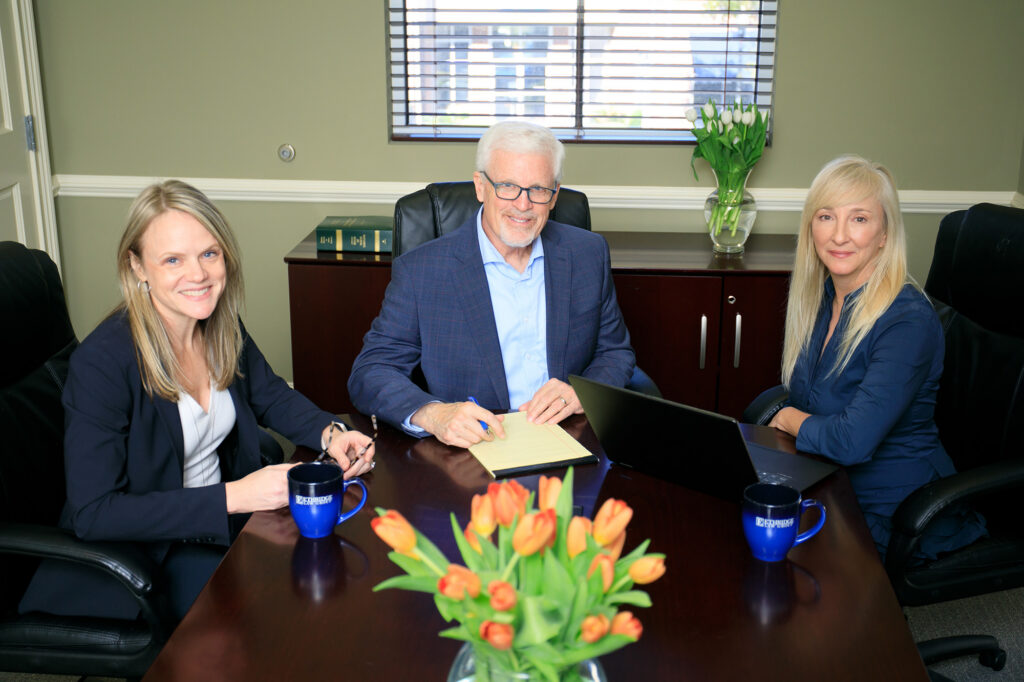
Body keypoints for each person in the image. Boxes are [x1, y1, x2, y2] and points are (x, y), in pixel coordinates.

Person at [19, 180, 374, 623]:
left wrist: (331, 432)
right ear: (137, 268)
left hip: (218, 526)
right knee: (279, 613)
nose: (199, 275)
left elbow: (269, 395)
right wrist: (234, 496)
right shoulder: (104, 362)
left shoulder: (217, 322)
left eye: (209, 253)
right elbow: (95, 513)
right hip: (143, 555)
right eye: (173, 259)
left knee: (332, 579)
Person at [348, 120, 635, 448]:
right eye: (508, 186)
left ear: (554, 196)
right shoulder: (422, 271)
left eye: (538, 189)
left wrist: (579, 394)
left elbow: (614, 351)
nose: (523, 205)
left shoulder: (587, 254)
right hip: (470, 452)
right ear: (480, 186)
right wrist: (433, 414)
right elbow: (371, 371)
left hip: (569, 438)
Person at [768, 155, 985, 558]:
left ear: (884, 234)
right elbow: (815, 398)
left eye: (860, 219)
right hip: (829, 484)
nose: (839, 236)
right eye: (826, 216)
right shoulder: (825, 298)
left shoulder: (907, 321)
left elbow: (851, 442)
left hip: (893, 512)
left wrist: (789, 419)